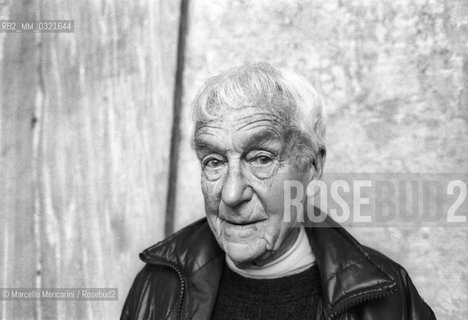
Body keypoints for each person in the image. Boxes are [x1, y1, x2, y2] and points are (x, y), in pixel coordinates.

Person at [121, 63, 436, 320]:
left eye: (261, 158)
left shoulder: (389, 297)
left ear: (312, 165)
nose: (231, 195)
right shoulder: (157, 286)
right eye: (214, 162)